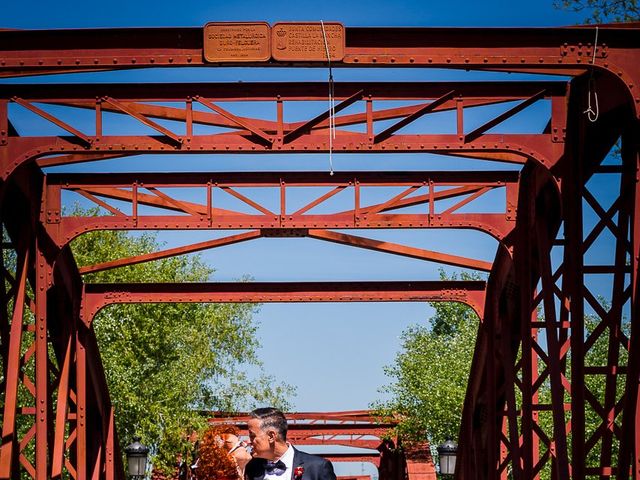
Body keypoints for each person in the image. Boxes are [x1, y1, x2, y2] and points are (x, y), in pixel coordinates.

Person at [245, 407, 337, 480]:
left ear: (271, 436)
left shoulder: (317, 467)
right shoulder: (251, 468)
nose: (249, 441)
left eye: (252, 436)